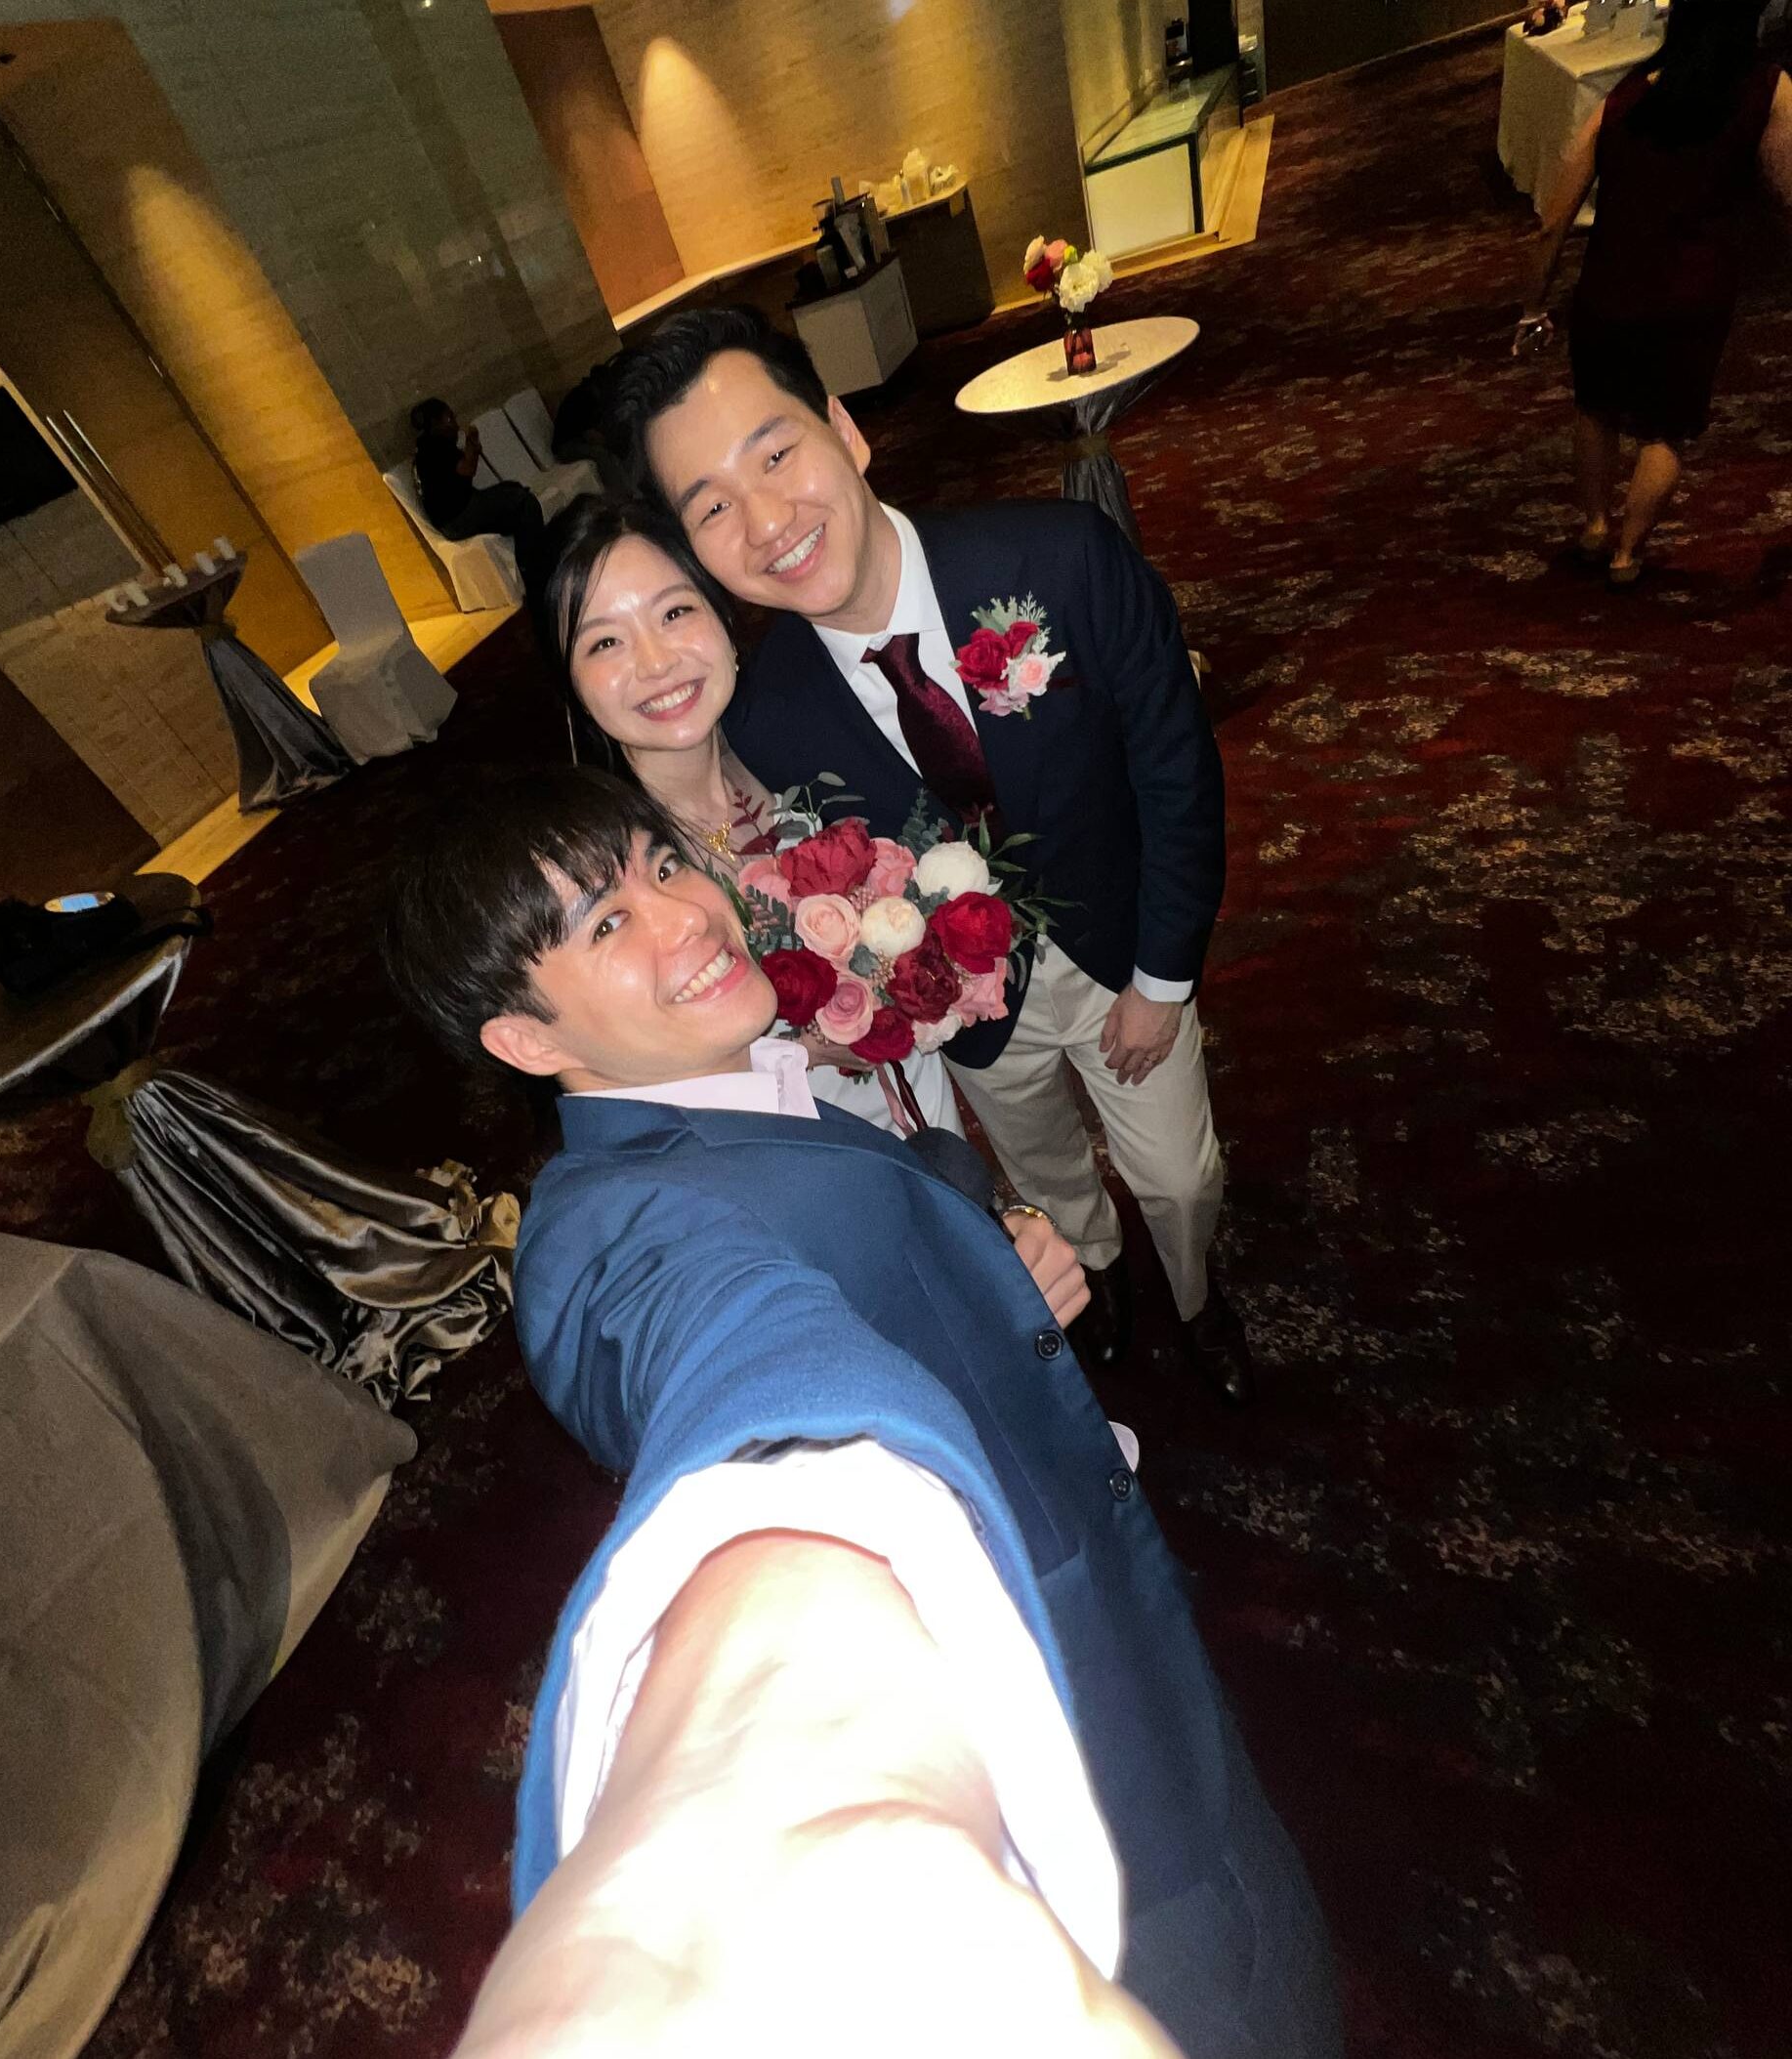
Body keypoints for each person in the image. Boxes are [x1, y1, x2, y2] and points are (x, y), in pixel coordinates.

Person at [379, 768, 1341, 2058]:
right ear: (530, 1041)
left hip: (1101, 1580)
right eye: (605, 925)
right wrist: (781, 1703)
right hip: (1063, 1745)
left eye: (661, 867)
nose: (684, 919)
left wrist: (991, 1271)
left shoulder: (730, 1079)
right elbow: (732, 1358)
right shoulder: (606, 1240)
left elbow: (852, 1233)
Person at [601, 306, 1253, 1405]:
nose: (765, 523)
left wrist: (1163, 977)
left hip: (1130, 958)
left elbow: (1175, 772)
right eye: (712, 506)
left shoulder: (1062, 560)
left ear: (845, 431)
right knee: (1046, 1172)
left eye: (777, 452)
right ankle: (1095, 1272)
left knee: (1181, 1176)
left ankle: (1194, 1290)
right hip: (974, 1023)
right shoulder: (767, 717)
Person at [536, 490, 963, 1142]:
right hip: (801, 1144)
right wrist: (802, 1052)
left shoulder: (805, 743)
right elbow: (620, 1077)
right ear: (573, 689)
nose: (656, 662)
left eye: (675, 611)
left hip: (921, 1089)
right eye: (605, 643)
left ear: (724, 619)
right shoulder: (602, 876)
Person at [1517, 0, 1792, 584]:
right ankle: (1628, 555)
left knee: (1595, 408)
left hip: (1608, 283)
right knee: (1664, 430)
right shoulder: (1767, 89)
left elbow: (1554, 219)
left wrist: (1534, 306)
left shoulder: (1626, 96)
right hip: (1694, 291)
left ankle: (1594, 525)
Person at [408, 397, 552, 599]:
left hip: (458, 513)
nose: (454, 423)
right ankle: (535, 574)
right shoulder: (435, 448)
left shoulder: (425, 450)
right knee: (524, 502)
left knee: (514, 494)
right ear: (436, 424)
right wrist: (471, 443)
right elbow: (467, 469)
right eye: (449, 418)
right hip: (458, 517)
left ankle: (534, 570)